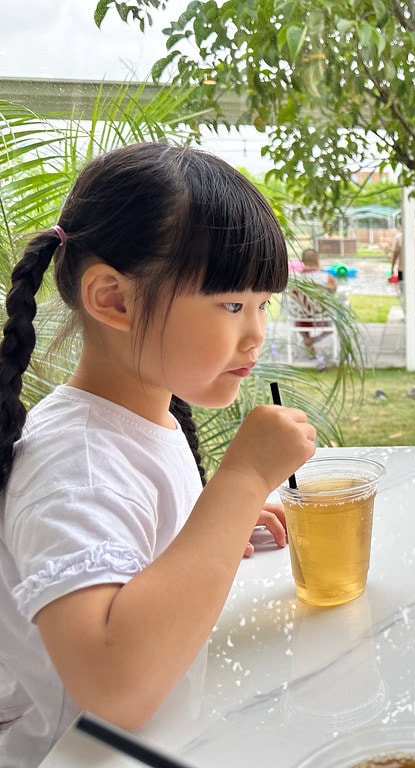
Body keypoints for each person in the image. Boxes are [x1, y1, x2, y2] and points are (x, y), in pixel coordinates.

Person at [0, 143, 317, 766]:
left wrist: (215, 532)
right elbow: (114, 685)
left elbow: (133, 561)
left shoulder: (144, 418)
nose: (256, 333)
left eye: (262, 305)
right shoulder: (77, 463)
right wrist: (243, 479)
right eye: (231, 304)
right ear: (113, 299)